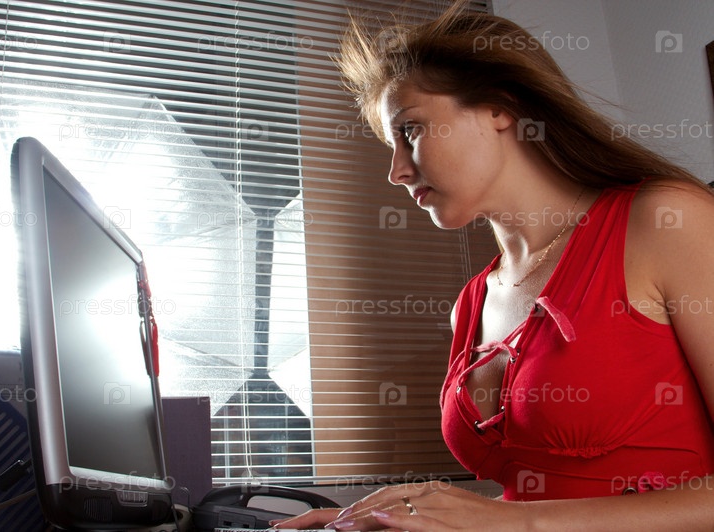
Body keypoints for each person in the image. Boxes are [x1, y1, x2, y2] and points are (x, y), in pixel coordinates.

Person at [271, 1, 714, 530]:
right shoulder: (471, 304)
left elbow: (522, 521)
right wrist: (393, 517)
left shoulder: (667, 221)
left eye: (410, 131)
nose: (396, 171)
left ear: (500, 107)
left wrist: (510, 523)